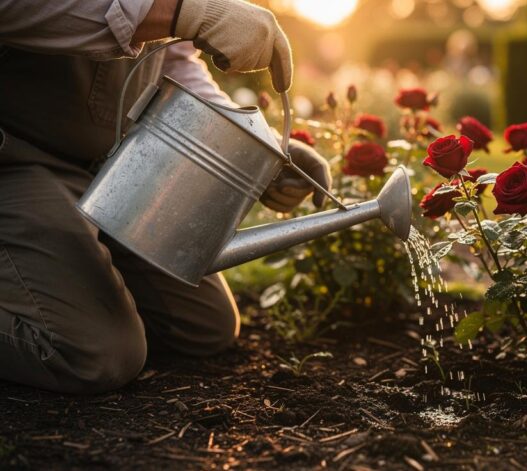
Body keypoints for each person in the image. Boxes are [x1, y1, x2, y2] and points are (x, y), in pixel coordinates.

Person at [0, 0, 332, 394]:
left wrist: (257, 147)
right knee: (93, 352)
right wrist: (183, 12)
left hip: (105, 162)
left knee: (203, 325)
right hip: (16, 158)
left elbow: (171, 57)